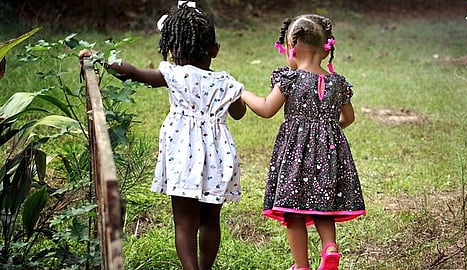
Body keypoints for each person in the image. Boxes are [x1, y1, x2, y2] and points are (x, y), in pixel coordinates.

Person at [80, 2, 246, 269]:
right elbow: (239, 113)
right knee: (210, 220)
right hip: (217, 159)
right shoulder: (226, 82)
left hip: (182, 155)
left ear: (172, 49)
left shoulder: (173, 75)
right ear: (215, 50)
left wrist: (101, 58)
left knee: (184, 222)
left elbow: (132, 73)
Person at [241, 14, 366, 270]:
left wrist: (243, 93)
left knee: (293, 211)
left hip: (295, 156)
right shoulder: (337, 82)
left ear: (292, 48)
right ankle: (329, 247)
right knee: (323, 204)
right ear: (324, 49)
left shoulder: (290, 79)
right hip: (329, 155)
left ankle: (301, 266)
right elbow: (348, 117)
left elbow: (266, 109)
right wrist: (327, 133)